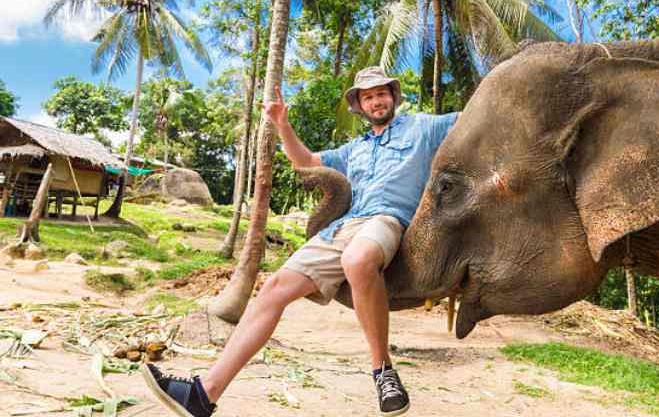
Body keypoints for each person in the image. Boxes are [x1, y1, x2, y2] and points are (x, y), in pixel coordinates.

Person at [142, 66, 459, 417]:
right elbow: (304, 162)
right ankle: (202, 394)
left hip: (387, 221)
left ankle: (382, 371)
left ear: (394, 96)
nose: (376, 100)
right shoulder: (354, 149)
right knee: (273, 288)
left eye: (381, 93)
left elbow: (475, 116)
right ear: (359, 105)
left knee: (357, 259)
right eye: (368, 96)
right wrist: (282, 124)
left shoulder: (424, 127)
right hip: (341, 228)